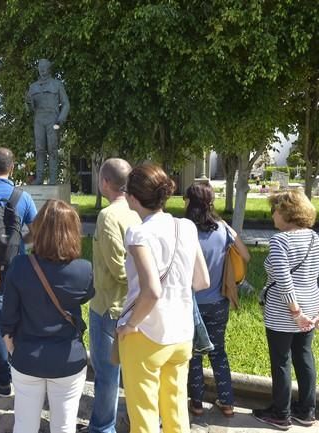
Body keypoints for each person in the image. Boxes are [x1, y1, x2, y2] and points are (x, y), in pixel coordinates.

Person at [117, 163, 210, 433]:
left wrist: (131, 324)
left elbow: (152, 291)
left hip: (146, 333)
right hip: (181, 333)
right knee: (176, 410)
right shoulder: (186, 227)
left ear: (133, 198)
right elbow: (202, 281)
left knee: (143, 416)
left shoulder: (138, 233)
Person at [0, 199, 94, 433]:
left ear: (38, 229)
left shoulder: (20, 266)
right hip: (67, 357)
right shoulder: (83, 269)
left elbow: (7, 317)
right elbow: (85, 296)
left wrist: (12, 349)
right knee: (64, 425)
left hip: (27, 355)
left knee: (24, 424)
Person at [252, 189, 319, 429]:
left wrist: (296, 313)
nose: (272, 216)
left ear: (286, 213)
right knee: (304, 357)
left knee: (281, 360)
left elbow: (283, 280)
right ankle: (307, 411)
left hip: (285, 312)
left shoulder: (280, 240)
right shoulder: (315, 238)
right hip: (312, 306)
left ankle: (281, 413)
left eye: (275, 210)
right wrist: (318, 310)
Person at [184, 182, 250, 418]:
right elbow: (246, 255)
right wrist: (231, 232)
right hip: (219, 302)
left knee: (194, 354)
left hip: (191, 302)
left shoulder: (185, 229)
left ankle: (197, 403)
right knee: (218, 351)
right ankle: (227, 402)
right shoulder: (223, 229)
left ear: (188, 202)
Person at [86, 159, 140, 433]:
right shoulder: (136, 211)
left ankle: (102, 427)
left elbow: (118, 267)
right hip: (134, 306)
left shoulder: (108, 216)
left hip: (108, 305)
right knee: (131, 372)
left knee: (107, 375)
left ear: (105, 182)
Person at [0, 147, 37, 397]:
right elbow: (35, 230)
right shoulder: (23, 197)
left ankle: (3, 379)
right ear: (12, 167)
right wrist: (21, 246)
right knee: (18, 318)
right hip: (17, 266)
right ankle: (22, 374)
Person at [25, 58, 70, 185]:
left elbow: (66, 104)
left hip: (53, 120)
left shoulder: (57, 84)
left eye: (44, 68)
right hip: (38, 120)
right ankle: (39, 178)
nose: (42, 70)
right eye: (40, 68)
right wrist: (28, 104)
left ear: (49, 69)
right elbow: (29, 110)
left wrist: (61, 119)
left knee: (52, 149)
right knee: (39, 149)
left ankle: (53, 178)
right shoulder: (33, 87)